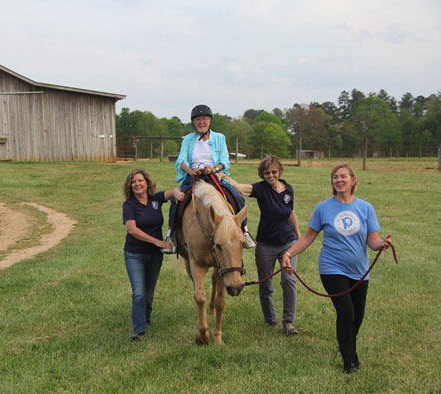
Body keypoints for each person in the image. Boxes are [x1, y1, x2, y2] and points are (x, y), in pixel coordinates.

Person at [282, 164, 392, 373]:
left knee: (357, 317)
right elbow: (307, 237)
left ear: (353, 180)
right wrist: (288, 254)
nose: (339, 180)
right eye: (335, 177)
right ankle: (350, 362)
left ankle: (345, 346)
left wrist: (382, 245)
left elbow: (373, 240)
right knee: (346, 313)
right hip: (332, 268)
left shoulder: (365, 208)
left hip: (360, 270)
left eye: (343, 176)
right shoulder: (323, 208)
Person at [226, 155, 301, 336]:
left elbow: (291, 213)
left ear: (280, 172)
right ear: (262, 174)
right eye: (266, 173)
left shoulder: (288, 188)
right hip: (266, 244)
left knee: (289, 281)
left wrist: (299, 237)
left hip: (288, 243)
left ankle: (289, 322)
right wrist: (225, 178)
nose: (270, 176)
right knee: (266, 284)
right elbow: (242, 189)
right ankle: (271, 320)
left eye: (274, 172)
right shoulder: (260, 189)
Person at [165, 104, 255, 253]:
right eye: (198, 119)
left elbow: (224, 161)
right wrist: (191, 170)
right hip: (193, 175)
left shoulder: (220, 138)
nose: (201, 122)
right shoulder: (187, 139)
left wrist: (213, 169)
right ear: (194, 123)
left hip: (213, 175)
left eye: (204, 119)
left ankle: (244, 231)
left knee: (238, 197)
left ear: (210, 121)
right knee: (177, 199)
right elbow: (181, 160)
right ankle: (171, 236)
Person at [122, 169, 185, 342]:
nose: (137, 184)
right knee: (139, 292)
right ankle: (139, 331)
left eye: (140, 181)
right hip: (134, 254)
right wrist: (158, 242)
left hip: (154, 257)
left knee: (148, 294)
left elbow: (171, 192)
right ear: (130, 186)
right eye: (133, 182)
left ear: (147, 183)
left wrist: (177, 193)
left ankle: (145, 318)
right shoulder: (129, 205)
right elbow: (132, 229)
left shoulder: (155, 200)